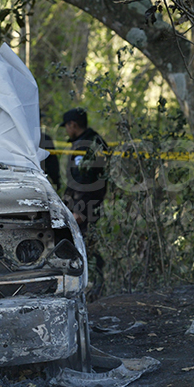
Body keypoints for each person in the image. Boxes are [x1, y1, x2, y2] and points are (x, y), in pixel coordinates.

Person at [59, 107, 108, 298]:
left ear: (73, 124)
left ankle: (93, 286)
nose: (66, 131)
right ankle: (90, 286)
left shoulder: (85, 145)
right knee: (85, 244)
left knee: (85, 245)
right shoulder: (95, 141)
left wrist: (79, 210)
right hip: (90, 203)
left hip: (84, 206)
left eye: (67, 127)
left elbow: (85, 181)